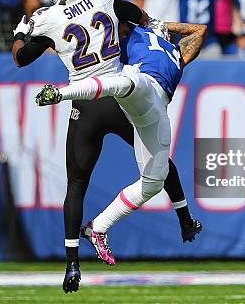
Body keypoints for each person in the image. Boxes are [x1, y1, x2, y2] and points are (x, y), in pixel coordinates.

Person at [10, 0, 201, 293]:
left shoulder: (46, 18)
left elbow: (21, 58)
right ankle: (183, 217)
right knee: (156, 151)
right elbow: (124, 4)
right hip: (117, 96)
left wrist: (20, 33)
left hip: (85, 106)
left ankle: (72, 262)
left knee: (76, 184)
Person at [35, 16, 207, 269]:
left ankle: (98, 228)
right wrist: (154, 25)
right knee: (125, 83)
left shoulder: (174, 52)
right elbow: (196, 30)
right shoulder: (146, 41)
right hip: (143, 85)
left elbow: (200, 30)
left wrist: (157, 25)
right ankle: (61, 93)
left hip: (156, 113)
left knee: (153, 183)